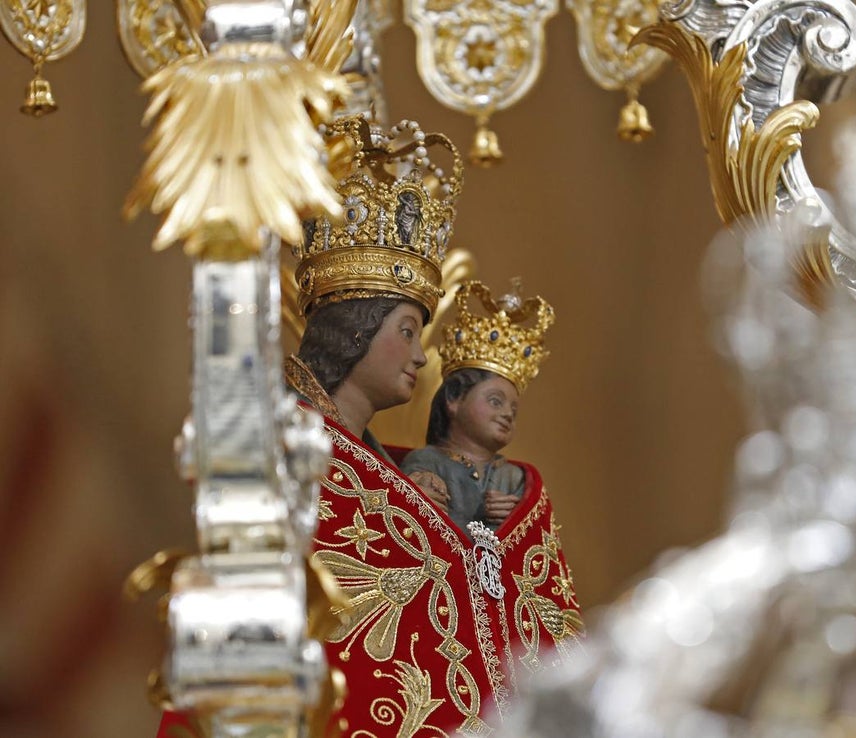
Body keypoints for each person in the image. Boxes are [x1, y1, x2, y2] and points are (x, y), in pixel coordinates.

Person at [155, 119, 580, 738]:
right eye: (406, 331)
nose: (419, 356)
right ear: (355, 328)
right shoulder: (290, 461)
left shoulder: (404, 473)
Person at [402, 280, 554, 536]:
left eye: (514, 411)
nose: (507, 414)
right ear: (454, 398)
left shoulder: (516, 478)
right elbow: (418, 529)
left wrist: (517, 520)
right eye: (495, 401)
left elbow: (534, 545)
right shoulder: (426, 462)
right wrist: (478, 515)